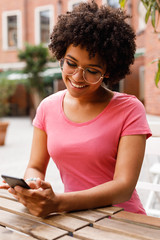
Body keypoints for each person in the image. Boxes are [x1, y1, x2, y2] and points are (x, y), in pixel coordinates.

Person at [1, 0, 151, 218]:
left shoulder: (129, 109)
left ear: (108, 70)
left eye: (92, 70)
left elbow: (123, 188)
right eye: (71, 63)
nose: (77, 77)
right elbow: (35, 166)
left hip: (124, 220)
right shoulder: (48, 107)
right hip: (74, 218)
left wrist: (59, 202)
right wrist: (32, 187)